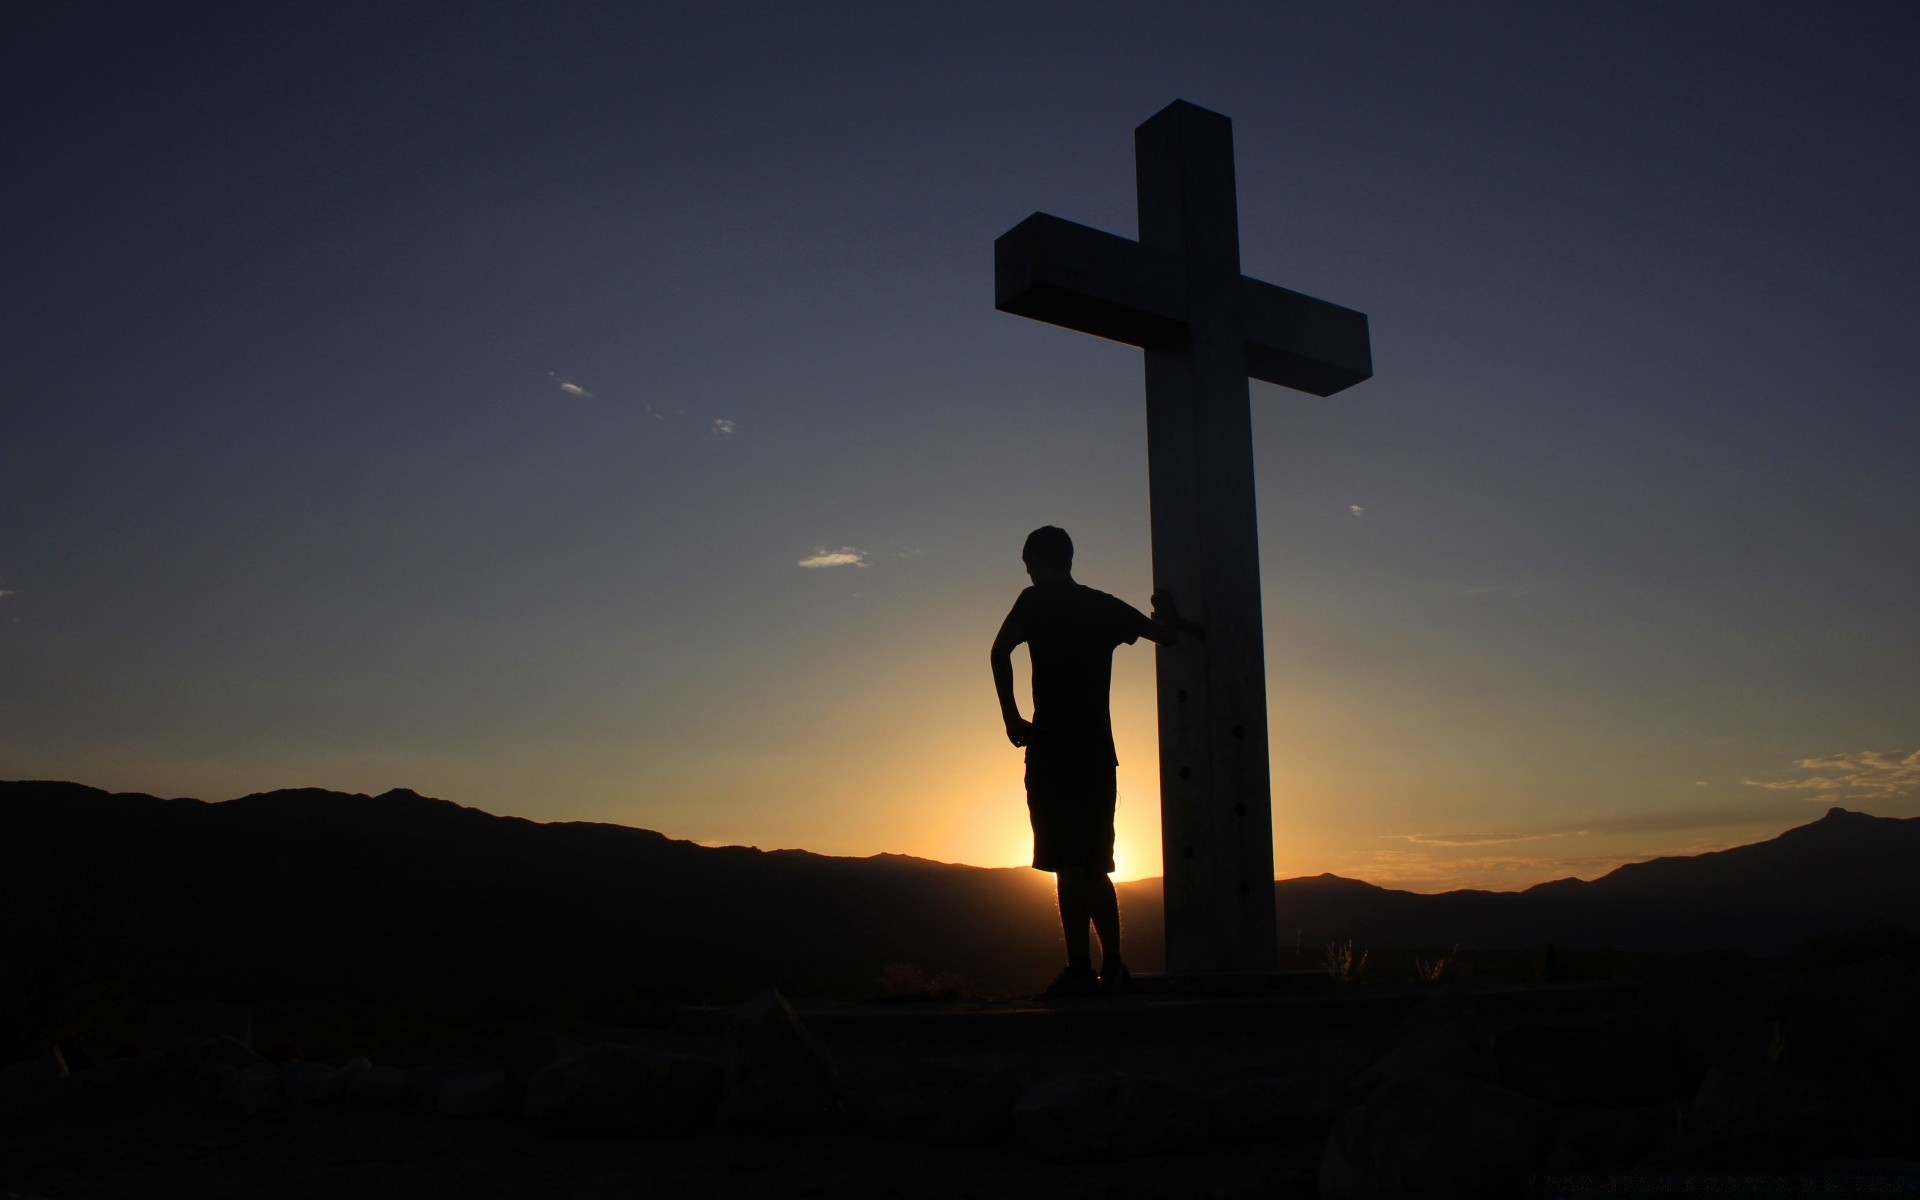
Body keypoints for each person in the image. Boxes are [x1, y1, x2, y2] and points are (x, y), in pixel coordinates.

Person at [989, 525, 1190, 998]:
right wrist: (1169, 611)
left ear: (1036, 562)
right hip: (1097, 751)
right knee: (1095, 863)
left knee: (1065, 863)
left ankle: (1080, 968)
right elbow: (1166, 636)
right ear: (1070, 559)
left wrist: (1012, 718)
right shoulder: (1102, 606)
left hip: (1052, 747)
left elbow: (1000, 650)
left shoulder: (1033, 601)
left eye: (1029, 567)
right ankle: (1114, 966)